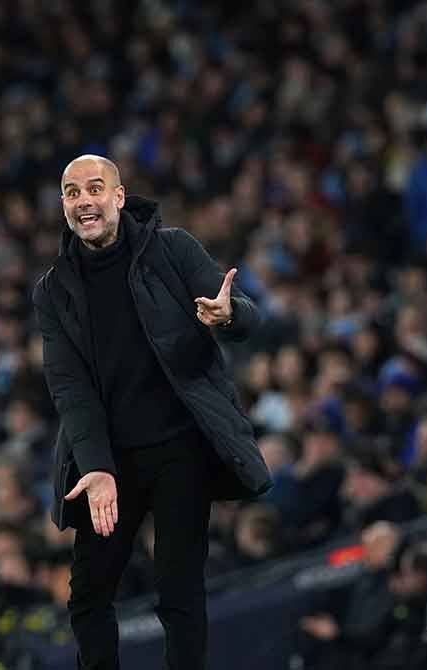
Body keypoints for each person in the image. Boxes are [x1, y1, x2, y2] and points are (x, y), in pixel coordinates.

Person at [33, 154, 270, 669]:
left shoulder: (173, 249)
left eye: (94, 189)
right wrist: (95, 466)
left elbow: (247, 316)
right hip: (110, 460)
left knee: (178, 587)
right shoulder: (54, 289)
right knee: (88, 595)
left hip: (180, 447)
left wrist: (228, 316)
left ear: (118, 197)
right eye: (72, 194)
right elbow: (69, 387)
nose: (83, 201)